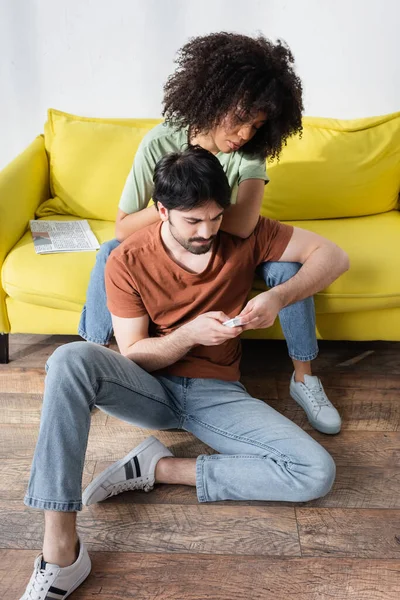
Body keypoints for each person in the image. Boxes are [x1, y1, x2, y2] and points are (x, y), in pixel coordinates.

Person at [20, 147, 349, 599]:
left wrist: (278, 298)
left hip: (217, 393)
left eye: (215, 217)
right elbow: (133, 355)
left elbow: (334, 257)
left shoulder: (243, 233)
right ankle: (61, 551)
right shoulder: (127, 259)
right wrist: (189, 334)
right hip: (149, 387)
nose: (207, 231)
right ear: (162, 210)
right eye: (193, 221)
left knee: (316, 473)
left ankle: (160, 466)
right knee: (68, 360)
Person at [78, 32, 341, 435]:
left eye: (257, 125)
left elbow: (242, 224)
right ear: (213, 100)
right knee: (112, 252)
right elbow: (124, 226)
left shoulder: (249, 153)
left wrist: (196, 214)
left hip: (234, 248)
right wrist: (172, 204)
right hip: (174, 232)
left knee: (287, 269)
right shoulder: (160, 141)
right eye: (240, 119)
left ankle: (304, 376)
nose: (246, 133)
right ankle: (95, 359)